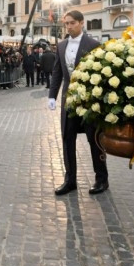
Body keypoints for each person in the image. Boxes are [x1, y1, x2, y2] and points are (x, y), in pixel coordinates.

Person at [47, 10, 108, 196]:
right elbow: (57, 71)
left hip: (89, 100)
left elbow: (101, 73)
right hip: (69, 99)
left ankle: (101, 179)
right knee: (67, 138)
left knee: (94, 139)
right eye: (66, 23)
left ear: (82, 23)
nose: (69, 26)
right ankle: (70, 180)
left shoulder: (93, 44)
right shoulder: (61, 45)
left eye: (72, 23)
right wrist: (52, 95)